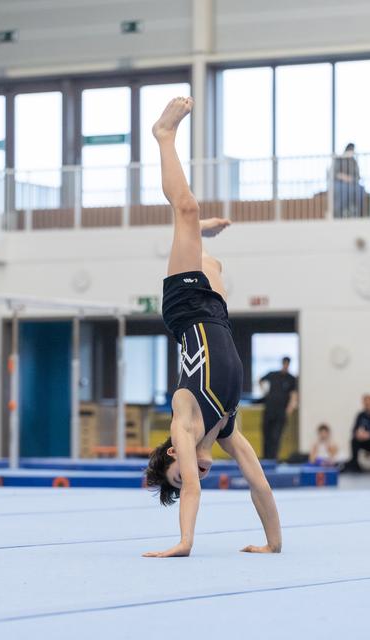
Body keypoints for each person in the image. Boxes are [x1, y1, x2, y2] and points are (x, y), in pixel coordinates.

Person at [143, 97, 282, 558]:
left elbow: (193, 495)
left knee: (184, 210)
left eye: (181, 472)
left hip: (185, 311)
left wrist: (185, 543)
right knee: (210, 257)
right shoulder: (225, 429)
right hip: (217, 314)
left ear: (171, 456)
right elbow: (258, 482)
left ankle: (163, 135)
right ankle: (199, 237)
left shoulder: (184, 422)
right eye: (193, 474)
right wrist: (273, 543)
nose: (194, 472)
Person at [259, 356, 298, 460]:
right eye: (284, 363)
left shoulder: (291, 379)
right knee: (266, 435)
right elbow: (261, 380)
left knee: (276, 436)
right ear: (282, 363)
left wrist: (290, 408)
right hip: (269, 409)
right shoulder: (273, 374)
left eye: (287, 364)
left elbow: (293, 395)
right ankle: (265, 458)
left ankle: (273, 458)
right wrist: (265, 392)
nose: (285, 366)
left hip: (281, 412)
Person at [333, 143, 365, 218]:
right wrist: (344, 177)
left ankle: (356, 213)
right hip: (340, 183)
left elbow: (358, 176)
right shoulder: (339, 159)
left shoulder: (354, 162)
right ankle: (338, 214)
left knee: (360, 190)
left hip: (352, 184)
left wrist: (351, 179)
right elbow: (335, 174)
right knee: (343, 190)